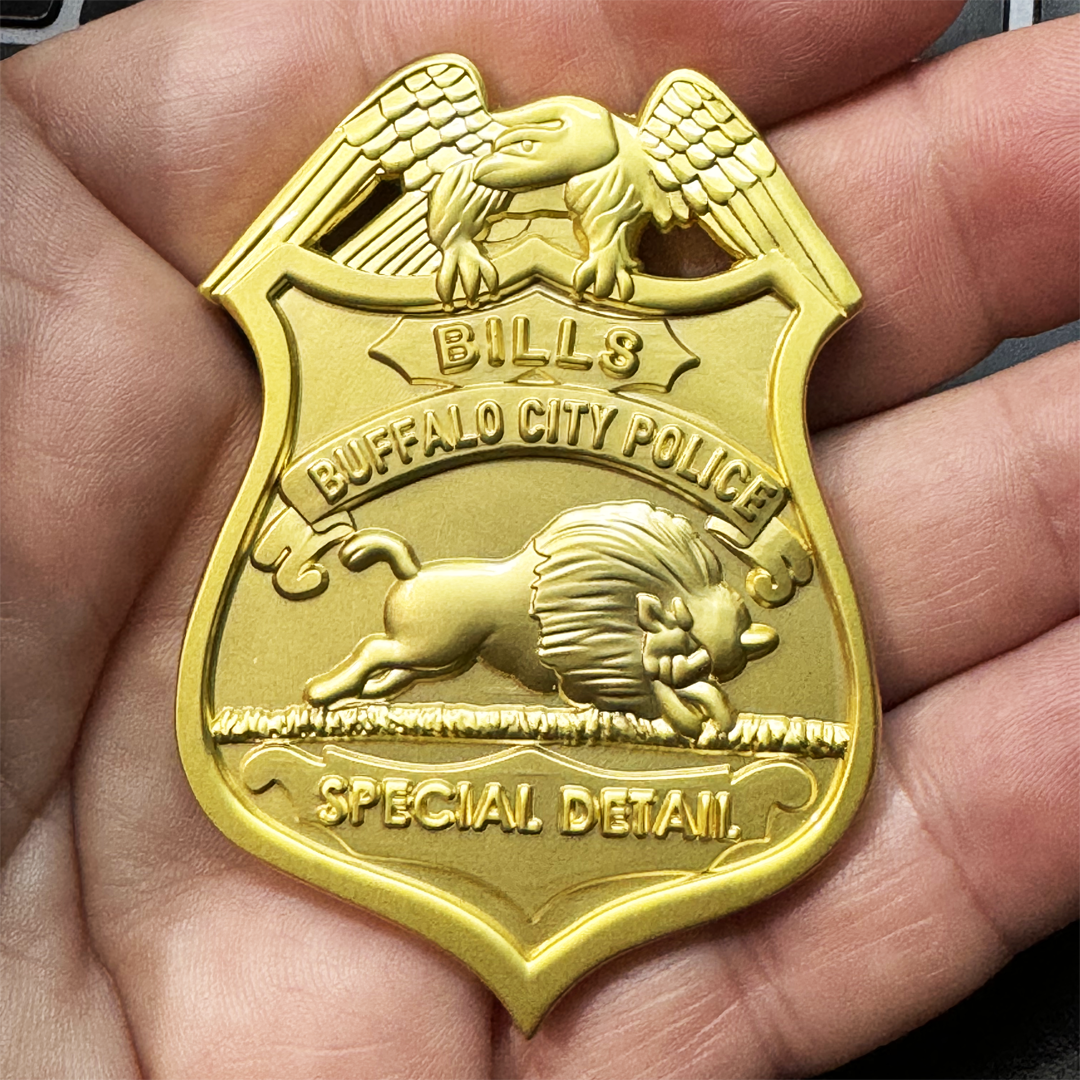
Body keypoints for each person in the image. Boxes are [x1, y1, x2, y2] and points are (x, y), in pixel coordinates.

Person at [2, 1, 1079, 1076]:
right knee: (412, 656)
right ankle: (352, 684)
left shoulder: (632, 184)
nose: (528, 156)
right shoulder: (462, 174)